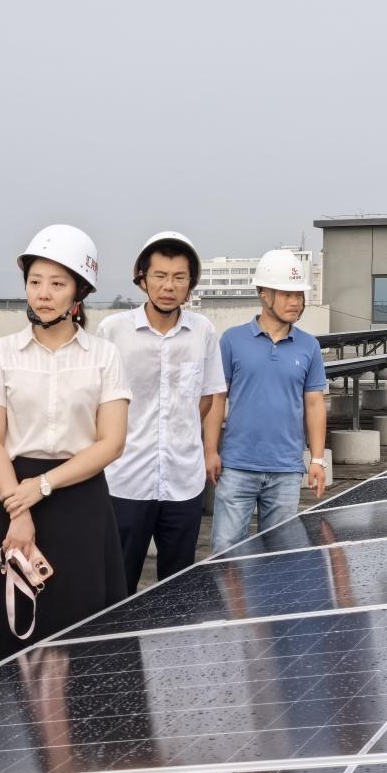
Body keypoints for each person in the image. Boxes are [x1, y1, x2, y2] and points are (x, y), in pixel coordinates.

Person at [0, 225, 130, 672]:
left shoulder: (103, 355)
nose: (43, 293)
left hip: (80, 498)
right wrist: (19, 510)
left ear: (79, 292)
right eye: (35, 281)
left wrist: (42, 486)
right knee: (13, 628)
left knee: (82, 622)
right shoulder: (2, 353)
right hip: (13, 494)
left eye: (57, 283)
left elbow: (112, 441)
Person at [98, 231, 225, 587]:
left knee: (178, 586)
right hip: (126, 479)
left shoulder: (202, 331)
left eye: (179, 277)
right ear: (142, 278)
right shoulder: (113, 331)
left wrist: (208, 448)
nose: (169, 286)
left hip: (183, 480)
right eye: (160, 275)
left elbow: (210, 394)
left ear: (190, 283)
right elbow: (96, 401)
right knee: (118, 583)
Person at [209, 248, 329, 554]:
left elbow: (314, 404)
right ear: (264, 294)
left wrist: (317, 460)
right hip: (237, 466)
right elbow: (218, 398)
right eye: (287, 294)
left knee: (279, 558)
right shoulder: (232, 340)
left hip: (286, 469)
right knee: (226, 552)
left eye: (299, 294)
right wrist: (210, 450)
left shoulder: (309, 346)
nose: (295, 302)